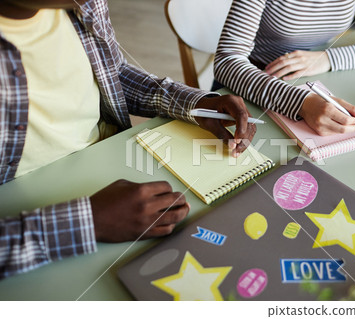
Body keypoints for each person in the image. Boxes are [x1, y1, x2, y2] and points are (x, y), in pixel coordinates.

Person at [0, 0, 256, 279]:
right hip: (36, 223)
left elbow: (110, 74)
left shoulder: (83, 5)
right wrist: (87, 223)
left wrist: (196, 103)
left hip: (118, 172)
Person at [214, 0, 355, 136]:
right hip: (249, 80)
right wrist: (300, 103)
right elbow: (227, 61)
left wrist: (327, 58)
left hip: (316, 76)